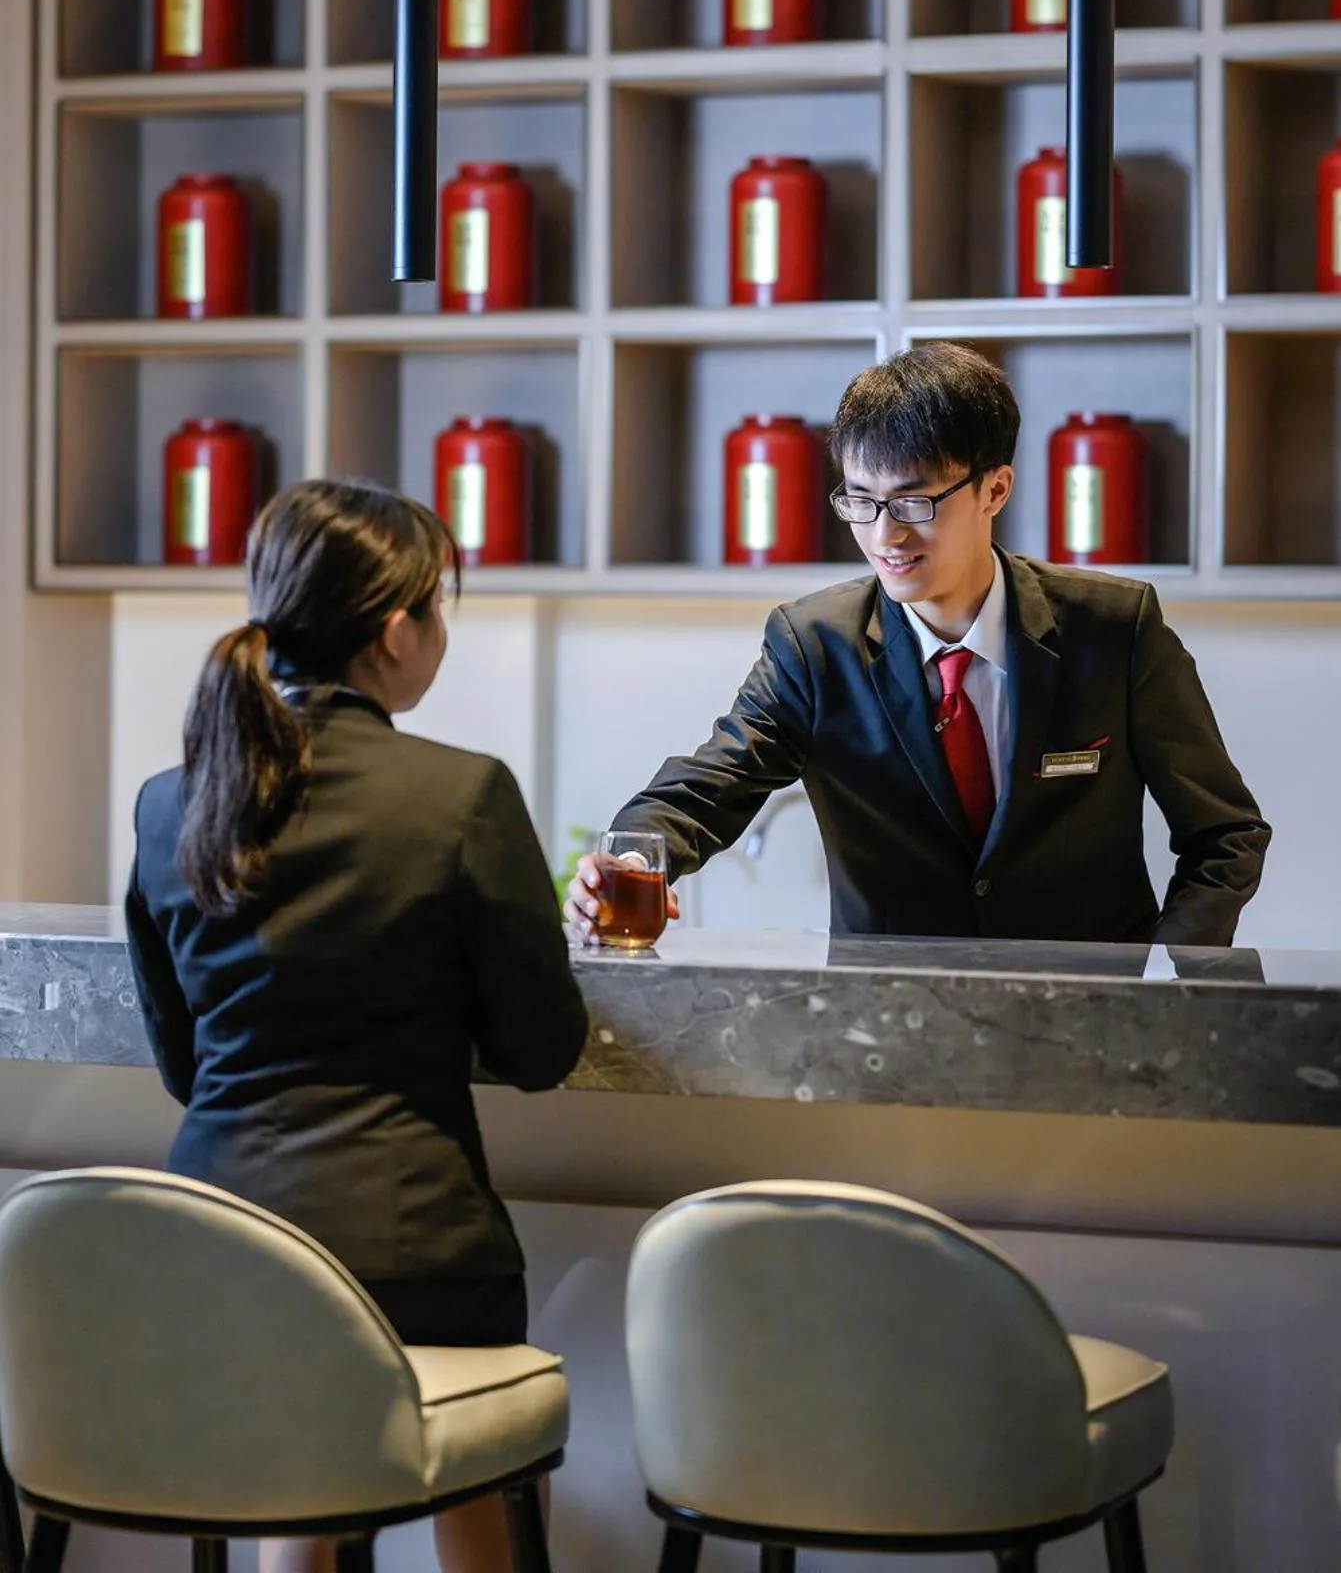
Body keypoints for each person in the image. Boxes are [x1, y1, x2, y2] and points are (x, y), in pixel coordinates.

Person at [126, 478, 587, 1573]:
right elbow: (542, 1048)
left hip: (216, 1253)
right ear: (394, 630)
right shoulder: (459, 795)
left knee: (308, 1430)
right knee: (461, 1456)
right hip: (413, 1254)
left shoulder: (168, 802)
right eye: (438, 610)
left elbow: (186, 1064)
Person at [567, 343, 1269, 948]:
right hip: (888, 1032)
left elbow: (1225, 835)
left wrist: (1166, 978)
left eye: (913, 503)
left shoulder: (1112, 628)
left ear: (994, 489)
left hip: (1093, 1021)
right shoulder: (814, 647)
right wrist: (629, 862)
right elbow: (704, 790)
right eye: (860, 501)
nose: (884, 537)